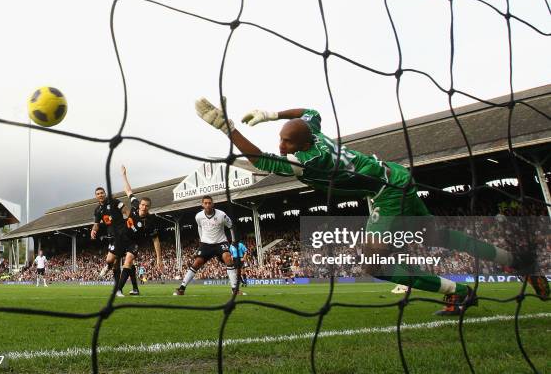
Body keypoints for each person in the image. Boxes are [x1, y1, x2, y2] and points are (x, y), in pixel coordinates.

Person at [194, 97, 548, 314]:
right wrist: (273, 114)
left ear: (301, 142)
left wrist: (227, 128)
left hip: (388, 190)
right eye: (281, 139)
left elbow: (260, 160)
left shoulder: (313, 160)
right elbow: (311, 110)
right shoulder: (312, 133)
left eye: (287, 141)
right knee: (445, 237)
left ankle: (459, 291)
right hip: (395, 177)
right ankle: (518, 264)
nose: (281, 145)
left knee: (372, 262)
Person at [174, 195, 244, 296]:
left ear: (213, 204)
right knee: (197, 263)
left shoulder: (222, 215)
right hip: (206, 243)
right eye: (205, 203)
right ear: (202, 204)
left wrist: (233, 241)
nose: (207, 205)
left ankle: (235, 290)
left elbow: (231, 225)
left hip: (221, 242)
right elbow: (199, 227)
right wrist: (202, 240)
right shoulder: (198, 216)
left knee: (228, 258)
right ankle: (181, 289)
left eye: (209, 203)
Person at [119, 165, 163, 296]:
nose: (143, 207)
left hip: (136, 242)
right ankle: (135, 289)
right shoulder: (134, 205)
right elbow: (128, 190)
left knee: (127, 261)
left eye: (146, 206)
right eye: (142, 205)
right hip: (124, 238)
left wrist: (159, 258)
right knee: (127, 264)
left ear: (149, 207)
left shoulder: (150, 220)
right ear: (140, 204)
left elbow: (156, 240)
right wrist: (124, 175)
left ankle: (118, 289)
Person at [90, 186, 135, 297]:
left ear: (105, 194)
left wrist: (130, 221)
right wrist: (93, 231)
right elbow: (96, 224)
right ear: (96, 196)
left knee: (118, 261)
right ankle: (117, 288)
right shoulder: (97, 210)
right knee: (115, 263)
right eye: (98, 194)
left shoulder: (114, 202)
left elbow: (126, 210)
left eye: (102, 193)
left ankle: (119, 288)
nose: (100, 195)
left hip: (122, 234)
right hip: (112, 237)